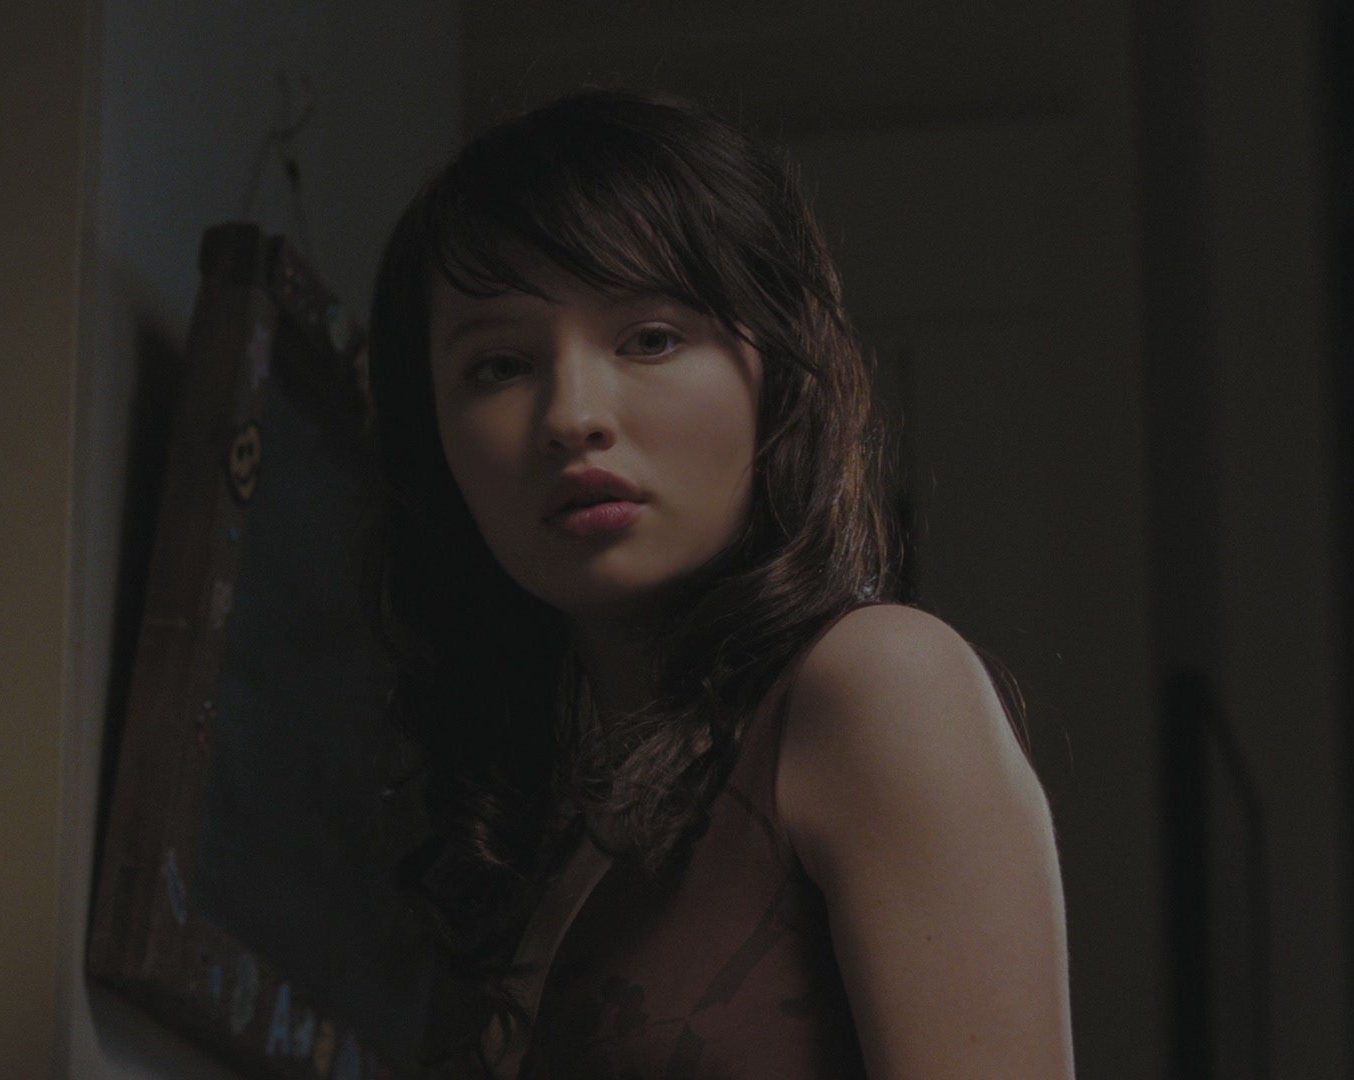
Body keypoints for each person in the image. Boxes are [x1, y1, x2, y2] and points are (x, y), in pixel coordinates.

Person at [361, 88, 1073, 1079]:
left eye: (650, 338)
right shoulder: (531, 834)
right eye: (500, 365)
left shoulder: (879, 683)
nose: (572, 414)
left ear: (779, 374)